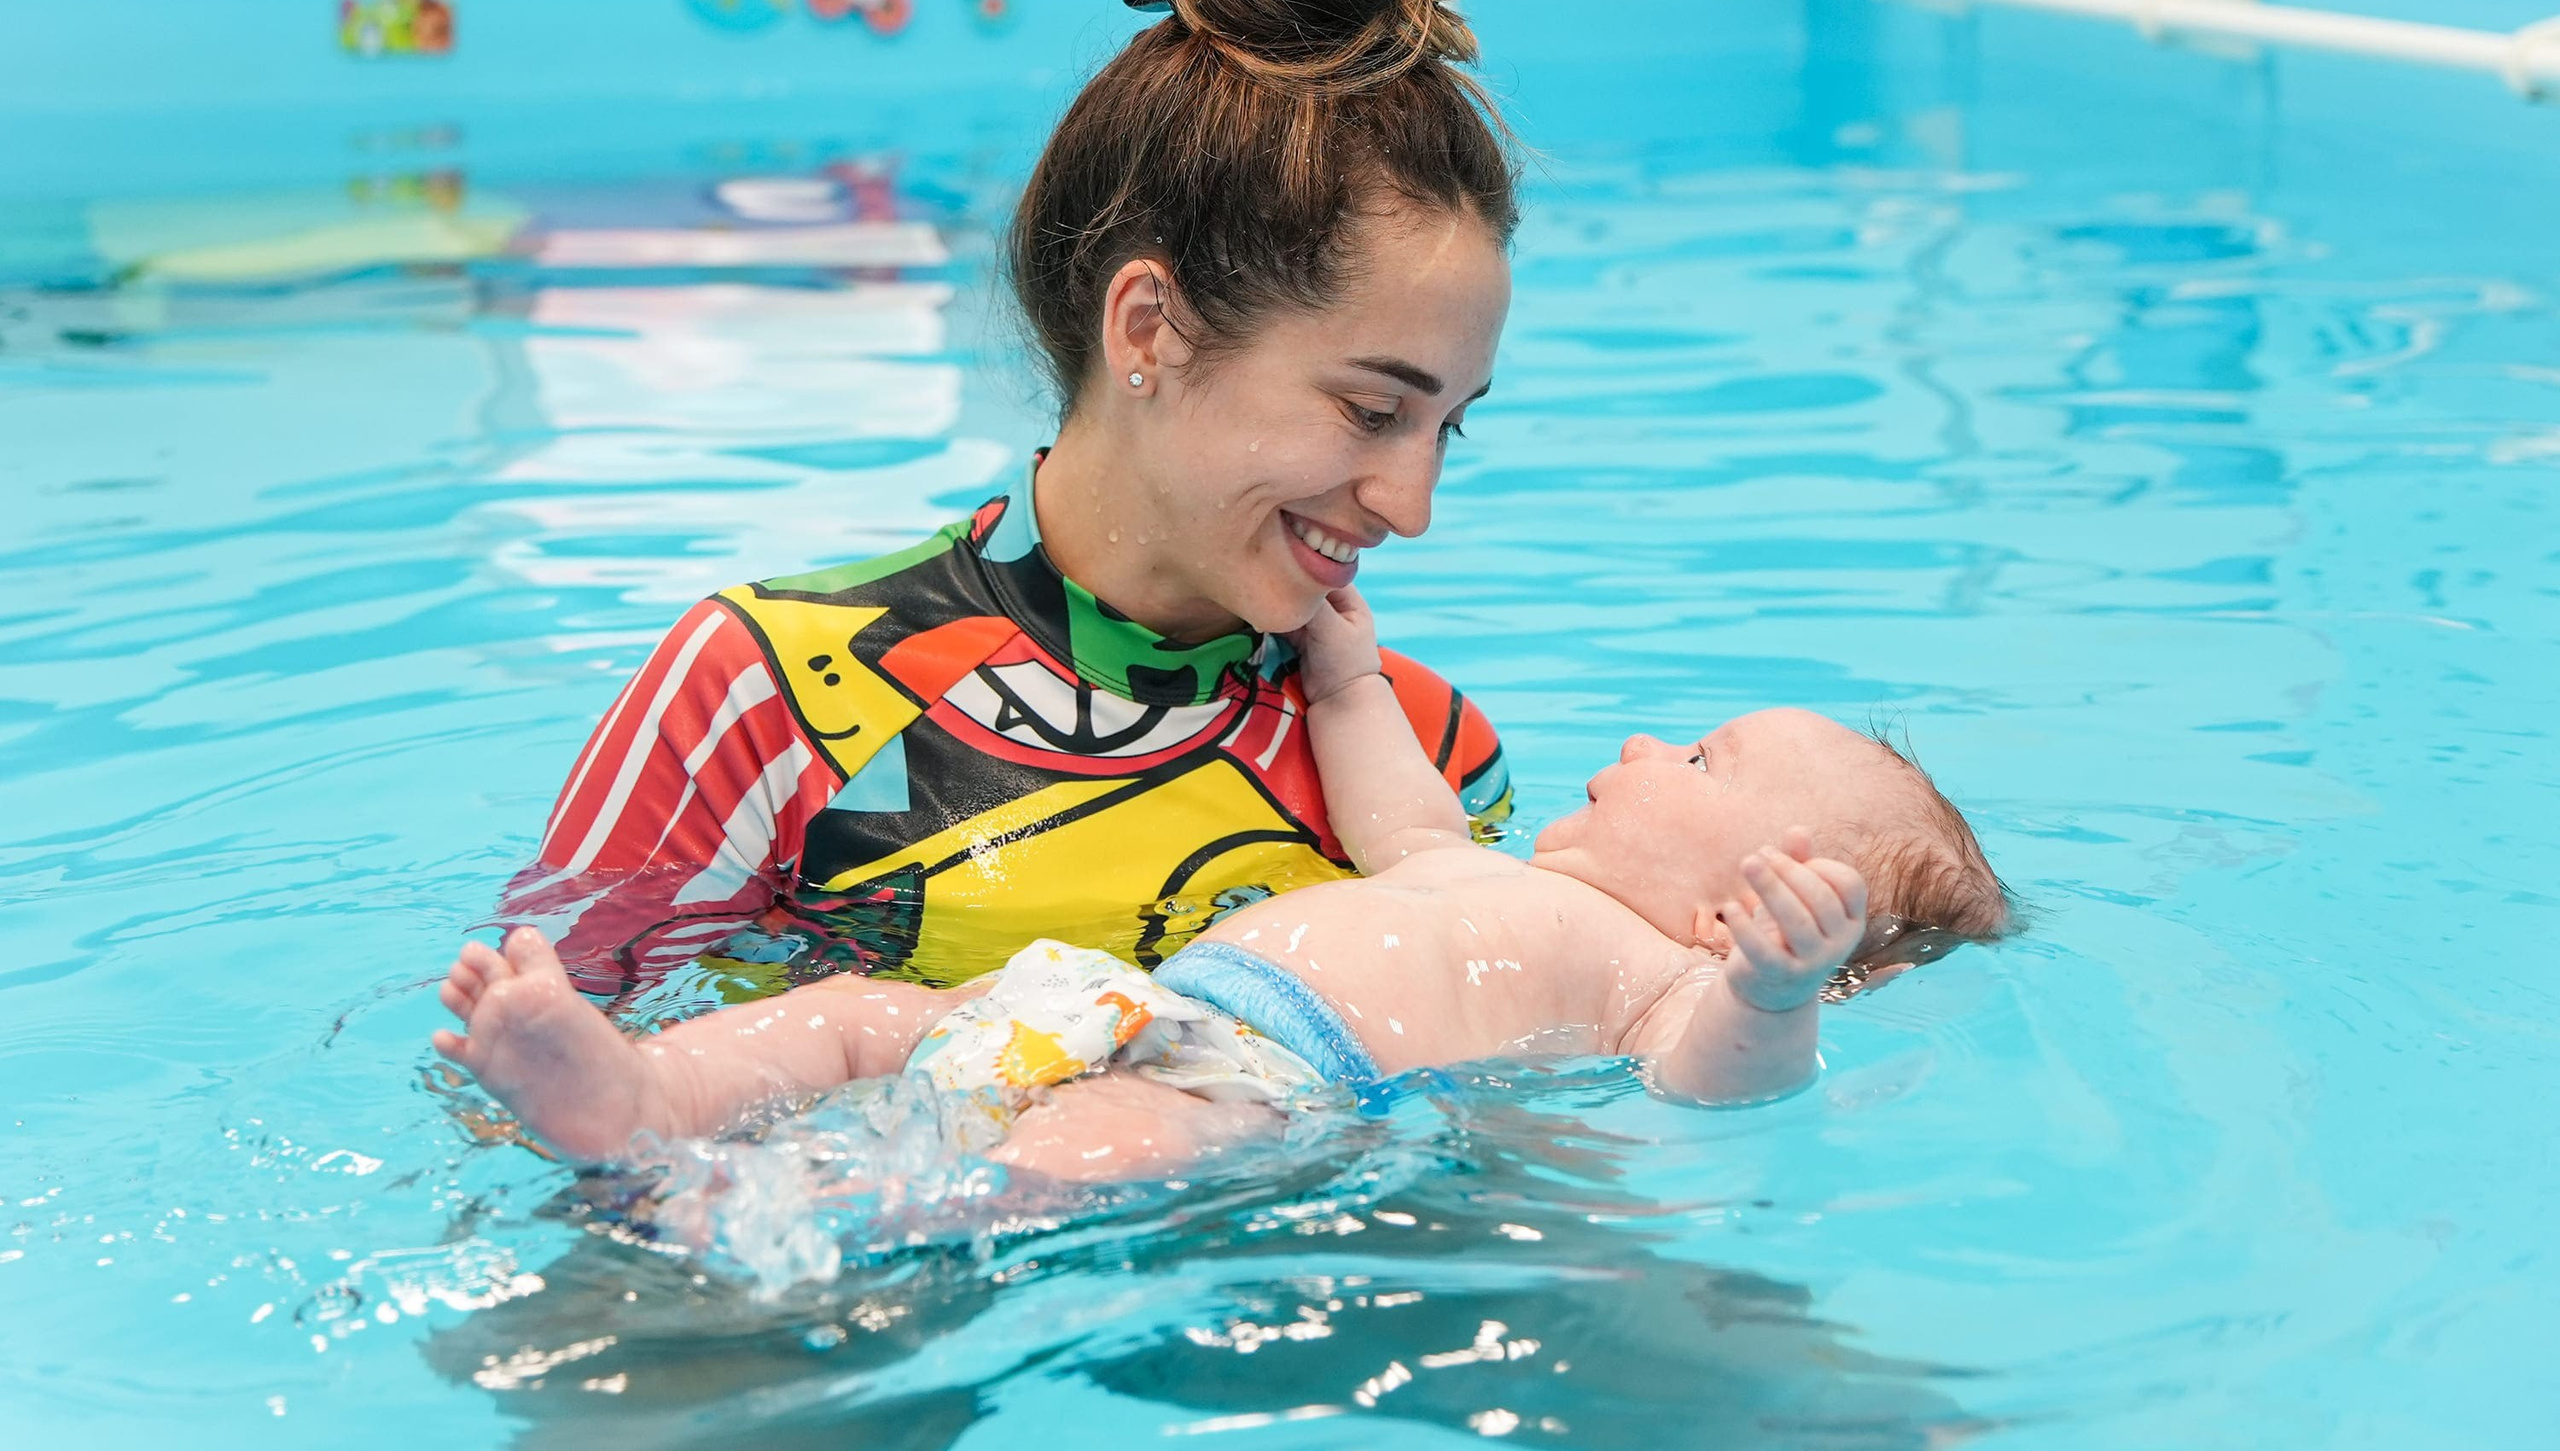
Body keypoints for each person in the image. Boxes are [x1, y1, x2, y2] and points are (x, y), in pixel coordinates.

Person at [500, 0, 1520, 1002]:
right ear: (1146, 329)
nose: (1409, 508)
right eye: (1372, 412)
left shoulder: (1428, 762)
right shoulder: (770, 700)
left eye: (1447, 428)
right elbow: (540, 1082)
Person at [433, 588, 2013, 1176]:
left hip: (1261, 1084)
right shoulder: (1457, 855)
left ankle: (820, 1210)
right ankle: (645, 1091)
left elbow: (1711, 1085)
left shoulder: (1667, 979)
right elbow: (1380, 772)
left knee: (1087, 1147)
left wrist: (1774, 993)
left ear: (1748, 901)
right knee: (862, 1012)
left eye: (1707, 758)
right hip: (1123, 997)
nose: (1653, 742)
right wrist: (1341, 659)